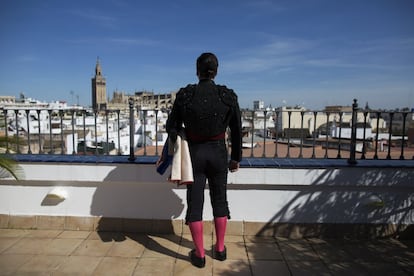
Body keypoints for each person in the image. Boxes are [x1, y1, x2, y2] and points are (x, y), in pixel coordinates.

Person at [166, 52, 242, 268]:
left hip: (195, 155)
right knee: (220, 201)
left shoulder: (185, 95)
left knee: (195, 203)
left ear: (197, 71)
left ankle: (199, 255)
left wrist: (181, 135)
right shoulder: (227, 96)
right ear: (216, 71)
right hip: (219, 154)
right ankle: (219, 250)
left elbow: (171, 127)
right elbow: (236, 129)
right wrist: (235, 158)